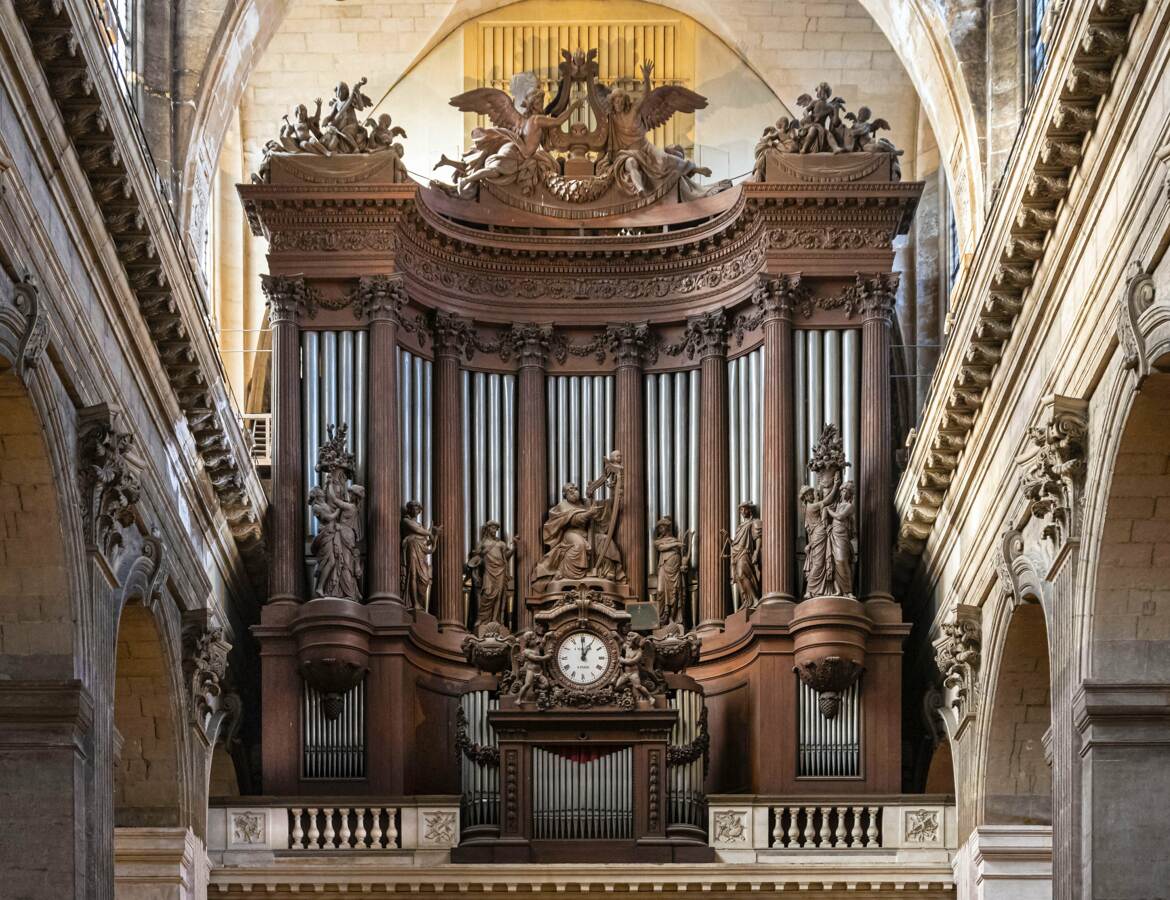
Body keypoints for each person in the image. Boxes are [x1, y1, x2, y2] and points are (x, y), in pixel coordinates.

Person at [466, 521, 517, 629]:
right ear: (488, 529)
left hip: (501, 570)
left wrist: (514, 548)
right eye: (493, 528)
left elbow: (506, 556)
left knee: (499, 594)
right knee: (487, 593)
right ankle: (482, 619)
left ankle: (495, 619)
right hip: (488, 571)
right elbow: (476, 558)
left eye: (496, 528)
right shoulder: (483, 543)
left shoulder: (501, 544)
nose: (494, 530)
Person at [401, 500, 440, 610]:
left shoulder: (420, 525)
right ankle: (414, 603)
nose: (416, 510)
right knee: (413, 575)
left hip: (420, 554)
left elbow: (427, 544)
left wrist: (435, 536)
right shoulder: (406, 521)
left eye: (418, 508)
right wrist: (430, 533)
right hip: (412, 549)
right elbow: (417, 530)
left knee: (425, 580)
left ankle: (420, 603)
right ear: (409, 509)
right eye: (413, 507)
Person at [654, 516, 692, 625]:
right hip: (664, 567)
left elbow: (683, 556)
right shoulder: (659, 541)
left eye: (662, 527)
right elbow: (661, 548)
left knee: (675, 594)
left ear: (667, 527)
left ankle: (672, 617)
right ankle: (660, 617)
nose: (660, 529)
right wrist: (676, 544)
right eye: (659, 528)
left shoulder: (676, 540)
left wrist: (683, 565)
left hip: (675, 570)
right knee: (660, 591)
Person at [729, 502, 762, 608]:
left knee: (742, 573)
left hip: (746, 552)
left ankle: (755, 599)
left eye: (744, 509)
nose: (742, 512)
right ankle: (748, 600)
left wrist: (756, 552)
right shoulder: (740, 527)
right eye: (741, 510)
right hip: (737, 554)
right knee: (739, 577)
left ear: (749, 510)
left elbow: (757, 537)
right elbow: (736, 544)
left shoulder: (754, 522)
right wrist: (728, 539)